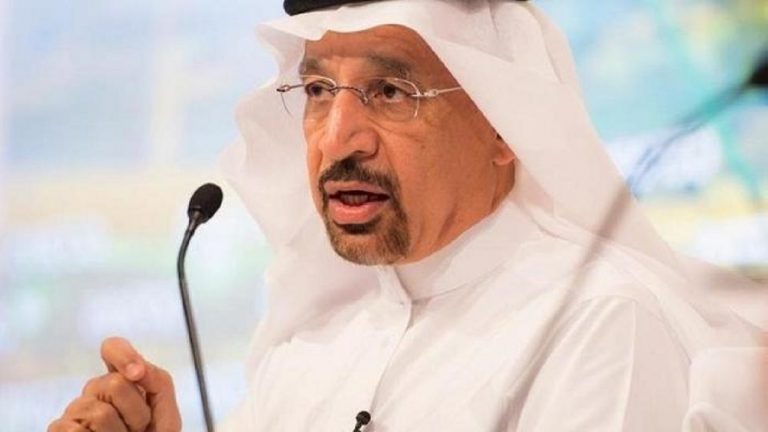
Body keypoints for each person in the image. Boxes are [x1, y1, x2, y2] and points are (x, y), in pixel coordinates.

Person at [48, 0, 768, 431]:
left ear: (503, 126)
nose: (338, 140)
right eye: (318, 91)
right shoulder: (314, 340)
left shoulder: (600, 325)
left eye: (391, 92)